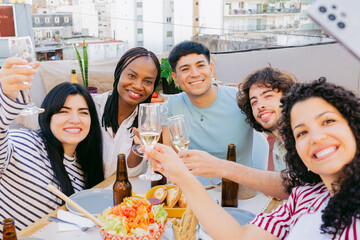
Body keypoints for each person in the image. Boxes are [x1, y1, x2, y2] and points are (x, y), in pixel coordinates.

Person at [148, 78, 360, 239]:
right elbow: (239, 236)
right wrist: (182, 176)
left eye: (328, 121)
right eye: (301, 133)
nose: (316, 137)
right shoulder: (303, 198)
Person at [0, 58, 104, 233]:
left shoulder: (84, 169)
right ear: (48, 117)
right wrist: (6, 97)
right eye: (64, 111)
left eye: (83, 113)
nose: (75, 120)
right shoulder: (23, 142)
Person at [181, 67, 296, 199]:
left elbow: (297, 185)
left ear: (288, 97)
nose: (260, 105)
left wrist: (221, 166)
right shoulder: (279, 144)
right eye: (254, 102)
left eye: (268, 96)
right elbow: (290, 191)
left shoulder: (303, 137)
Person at [162, 41, 254, 172]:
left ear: (210, 68)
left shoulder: (240, 99)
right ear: (175, 78)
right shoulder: (172, 105)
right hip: (194, 185)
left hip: (239, 187)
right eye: (185, 69)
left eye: (200, 65)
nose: (194, 74)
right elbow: (168, 152)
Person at [93, 47, 161, 178]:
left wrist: (137, 148)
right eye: (131, 76)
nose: (137, 85)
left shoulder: (150, 123)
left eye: (148, 81)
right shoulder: (93, 108)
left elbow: (132, 173)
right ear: (118, 73)